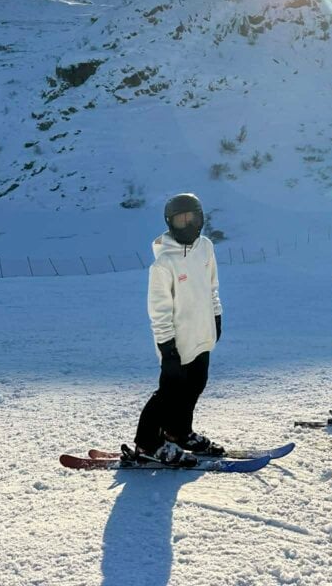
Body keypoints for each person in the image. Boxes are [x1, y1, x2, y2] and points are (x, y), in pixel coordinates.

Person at [133, 192, 224, 462]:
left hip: (203, 335)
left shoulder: (206, 247)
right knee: (168, 394)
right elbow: (159, 312)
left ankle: (178, 432)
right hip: (177, 342)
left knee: (195, 385)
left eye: (191, 218)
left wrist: (216, 317)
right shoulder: (163, 264)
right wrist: (167, 348)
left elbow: (212, 286)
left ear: (200, 219)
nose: (187, 224)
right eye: (180, 219)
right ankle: (146, 444)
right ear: (171, 223)